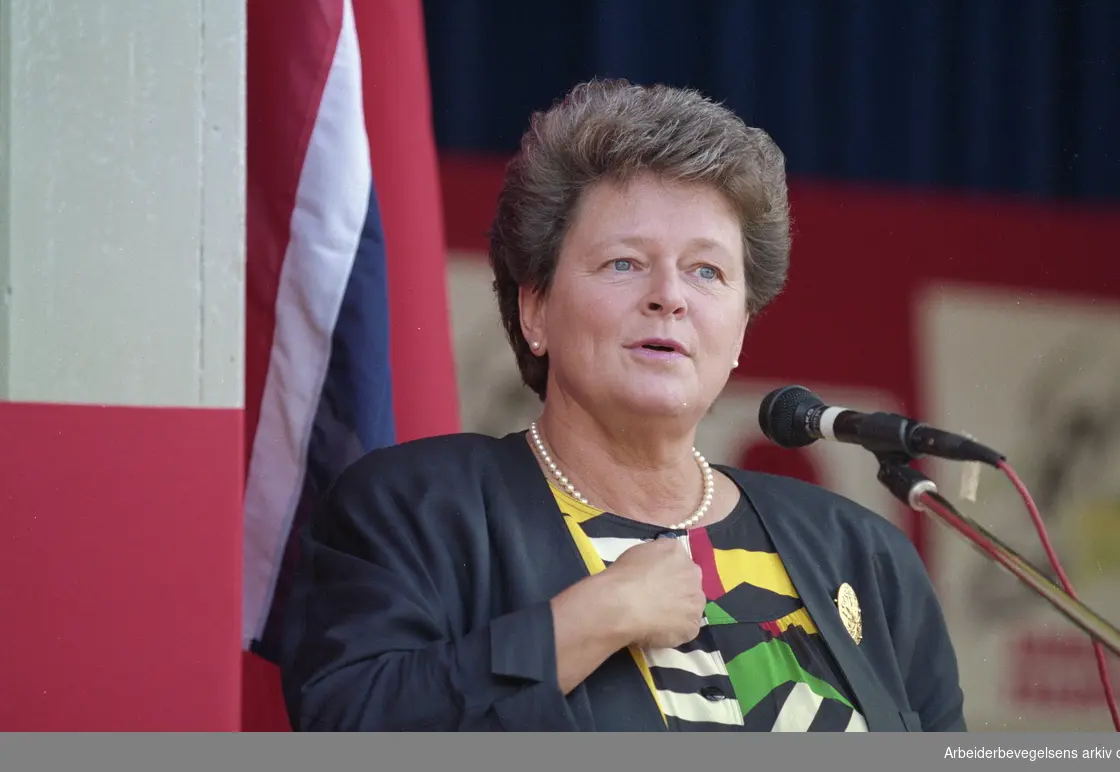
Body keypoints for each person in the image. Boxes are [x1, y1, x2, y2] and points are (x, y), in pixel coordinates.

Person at [278, 79, 967, 732]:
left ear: (741, 333)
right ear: (536, 309)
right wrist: (591, 619)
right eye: (625, 263)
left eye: (707, 271)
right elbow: (353, 725)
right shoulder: (415, 509)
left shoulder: (864, 556)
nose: (670, 295)